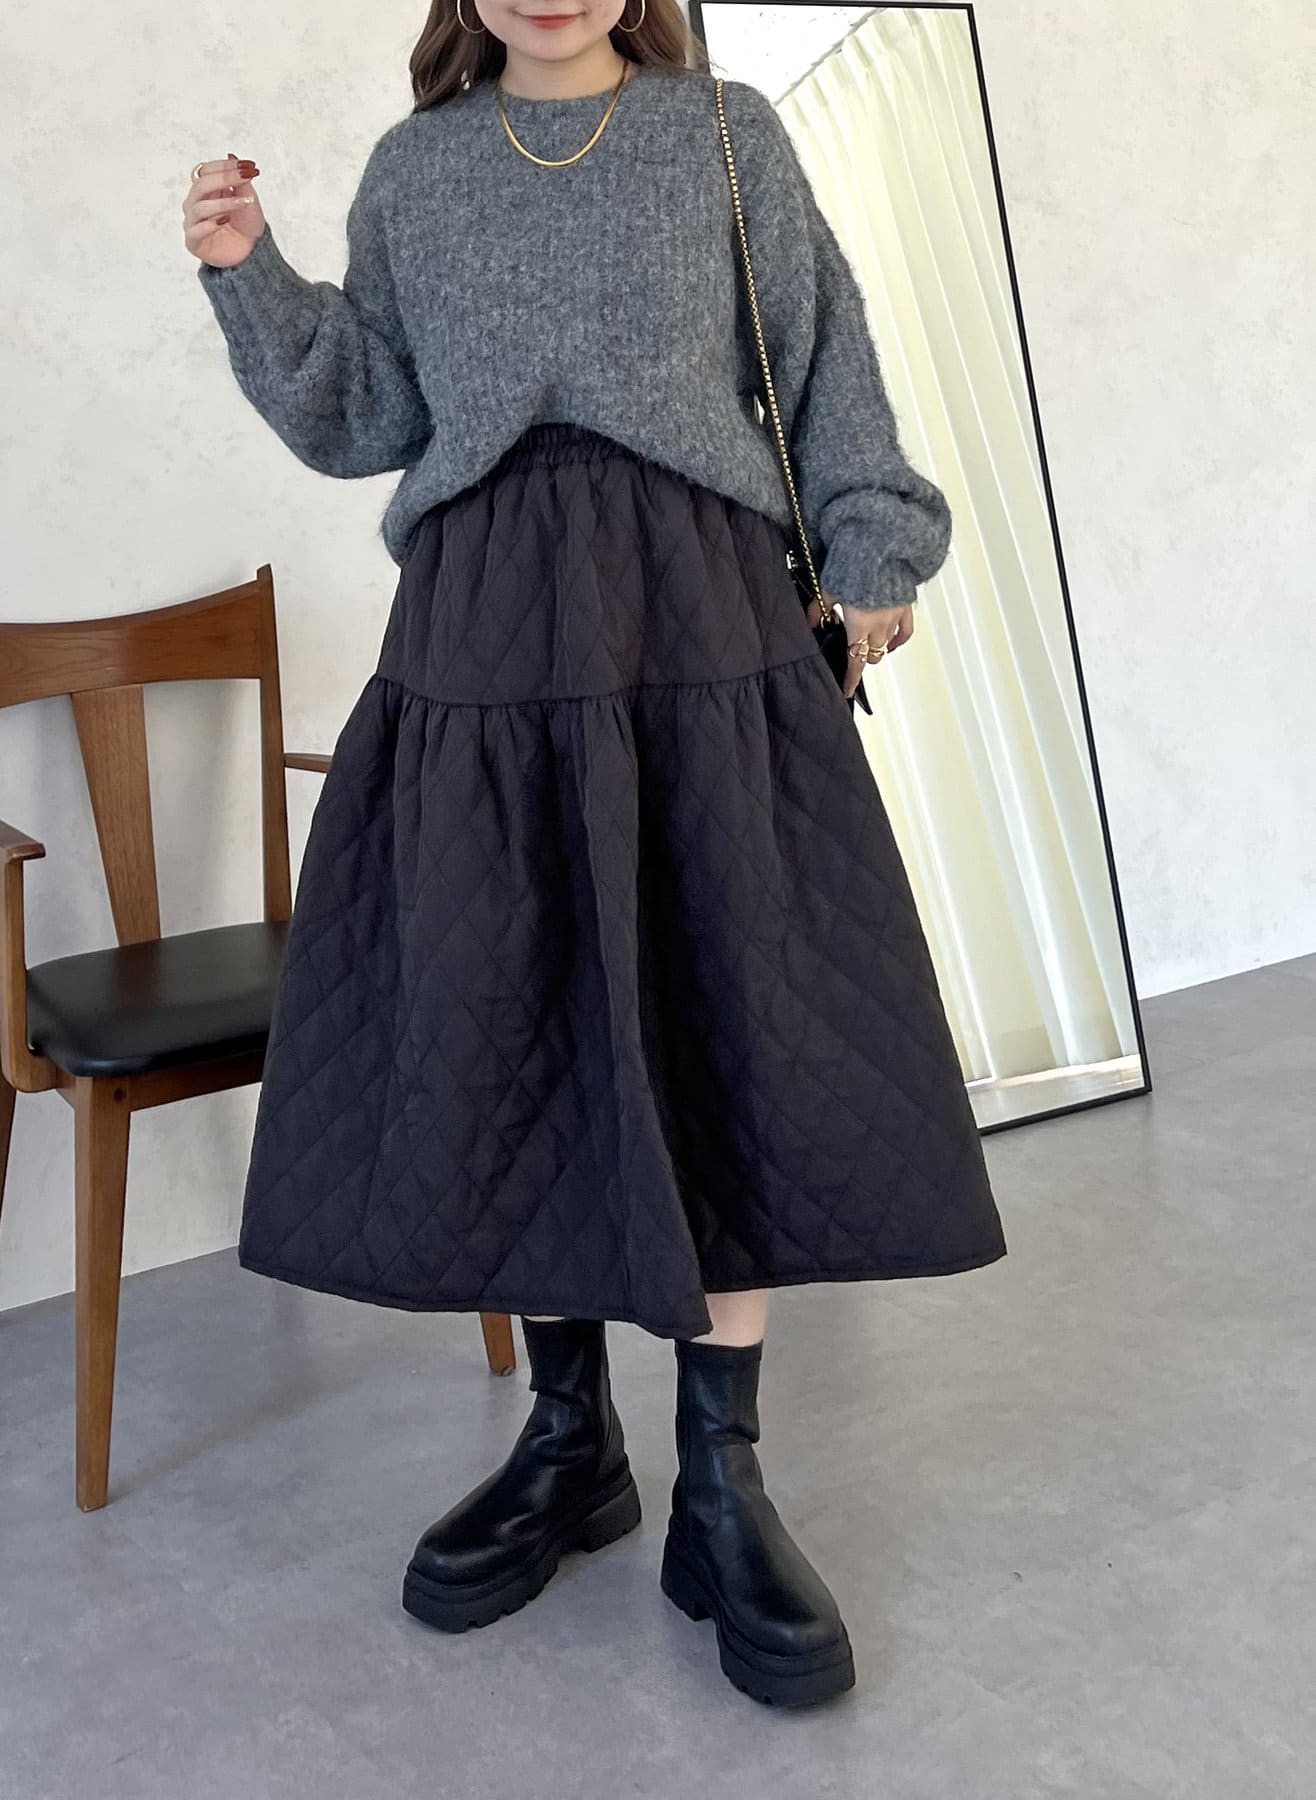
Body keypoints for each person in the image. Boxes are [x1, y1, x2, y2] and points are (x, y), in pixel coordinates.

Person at [184, 0, 1006, 1710]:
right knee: (512, 1018)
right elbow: (364, 411)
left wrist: (874, 549)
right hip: (481, 628)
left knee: (729, 1018)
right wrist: (250, 271)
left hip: (701, 617)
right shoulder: (416, 172)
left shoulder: (725, 137)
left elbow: (827, 356)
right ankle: (572, 1445)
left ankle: (722, 1479)